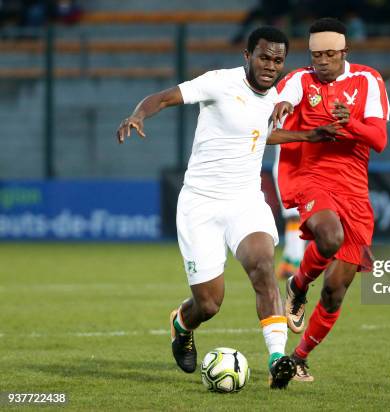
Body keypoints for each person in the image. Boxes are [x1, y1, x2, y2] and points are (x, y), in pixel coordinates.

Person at [116, 26, 338, 389]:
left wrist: (307, 135)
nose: (270, 66)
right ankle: (181, 324)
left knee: (264, 267)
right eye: (264, 57)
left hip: (246, 202)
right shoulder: (218, 82)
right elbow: (163, 97)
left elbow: (258, 133)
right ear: (247, 56)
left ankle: (277, 358)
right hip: (200, 205)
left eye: (278, 60)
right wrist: (139, 115)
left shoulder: (276, 96)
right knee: (209, 304)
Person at [272, 17, 390, 381]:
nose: (321, 61)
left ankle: (300, 357)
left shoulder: (368, 80)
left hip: (355, 190)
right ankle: (298, 284)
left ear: (344, 52)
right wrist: (281, 109)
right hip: (312, 176)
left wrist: (350, 122)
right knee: (330, 236)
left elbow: (379, 139)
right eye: (315, 54)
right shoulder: (299, 80)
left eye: (328, 54)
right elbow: (284, 102)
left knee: (336, 292)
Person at [272, 145, 306, 280]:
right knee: (291, 217)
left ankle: (297, 262)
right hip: (282, 168)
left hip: (296, 167)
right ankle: (289, 260)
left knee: (297, 216)